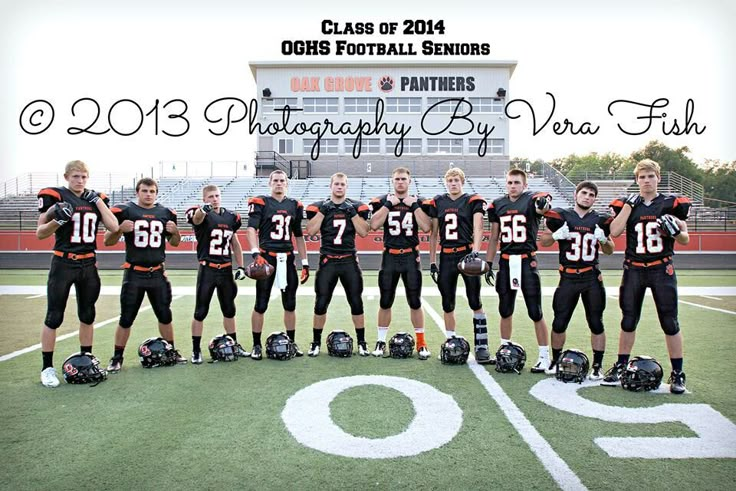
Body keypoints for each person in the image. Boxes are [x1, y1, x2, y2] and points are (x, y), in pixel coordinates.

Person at [602, 159, 691, 394]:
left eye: (650, 176)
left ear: (658, 178)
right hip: (634, 268)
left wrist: (676, 231)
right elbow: (614, 231)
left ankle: (678, 373)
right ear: (637, 180)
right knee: (628, 319)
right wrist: (629, 207)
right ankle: (621, 365)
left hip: (662, 268)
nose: (646, 181)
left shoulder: (671, 203)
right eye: (642, 177)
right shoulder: (628, 203)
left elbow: (684, 238)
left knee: (669, 321)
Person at [36, 160, 119, 387]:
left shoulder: (96, 198)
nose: (80, 181)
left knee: (88, 314)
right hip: (64, 262)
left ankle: (86, 360)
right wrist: (57, 220)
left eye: (83, 177)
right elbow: (40, 232)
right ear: (66, 177)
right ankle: (47, 368)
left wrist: (98, 202)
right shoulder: (55, 196)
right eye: (75, 177)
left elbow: (114, 227)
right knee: (54, 316)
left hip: (88, 264)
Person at [104, 178, 186, 372]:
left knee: (165, 315)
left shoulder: (166, 213)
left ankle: (171, 351)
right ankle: (117, 357)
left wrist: (175, 233)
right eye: (145, 191)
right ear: (137, 192)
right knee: (126, 318)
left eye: (152, 191)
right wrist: (119, 230)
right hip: (134, 274)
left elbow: (175, 242)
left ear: (156, 193)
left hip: (157, 273)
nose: (148, 194)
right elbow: (108, 240)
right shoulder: (126, 211)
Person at [539, 181, 615, 380]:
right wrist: (556, 235)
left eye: (591, 194)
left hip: (591, 277)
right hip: (568, 277)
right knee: (559, 322)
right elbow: (544, 242)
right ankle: (556, 361)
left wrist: (604, 240)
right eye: (584, 193)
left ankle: (597, 365)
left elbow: (610, 250)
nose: (587, 196)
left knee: (596, 322)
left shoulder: (600, 220)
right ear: (576, 194)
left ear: (594, 199)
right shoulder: (561, 216)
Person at [485, 168, 552, 372]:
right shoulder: (497, 204)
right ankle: (505, 349)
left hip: (526, 260)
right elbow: (494, 237)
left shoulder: (532, 200)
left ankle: (544, 355)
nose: (513, 186)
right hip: (505, 261)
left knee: (535, 311)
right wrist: (488, 263)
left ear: (525, 185)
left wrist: (544, 203)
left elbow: (543, 206)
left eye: (516, 182)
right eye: (510, 182)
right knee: (505, 309)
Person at [424, 167, 491, 363]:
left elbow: (479, 227)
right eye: (450, 180)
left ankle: (482, 345)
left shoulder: (472, 200)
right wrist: (433, 261)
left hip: (466, 253)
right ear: (446, 182)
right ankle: (451, 342)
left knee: (474, 300)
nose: (453, 183)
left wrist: (476, 251)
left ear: (462, 181)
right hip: (446, 256)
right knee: (447, 302)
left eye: (456, 180)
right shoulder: (439, 201)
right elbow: (434, 234)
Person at [368, 167, 431, 360]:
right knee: (385, 301)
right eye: (397, 179)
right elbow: (374, 225)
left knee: (415, 301)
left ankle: (421, 342)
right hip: (390, 257)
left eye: (404, 179)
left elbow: (427, 227)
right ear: (392, 181)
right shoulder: (382, 201)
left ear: (409, 181)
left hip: (411, 257)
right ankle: (380, 341)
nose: (400, 182)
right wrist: (388, 204)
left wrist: (414, 206)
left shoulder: (418, 202)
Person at [245, 170, 309, 360]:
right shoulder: (261, 202)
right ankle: (256, 345)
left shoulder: (294, 205)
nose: (279, 184)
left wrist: (305, 263)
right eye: (276, 181)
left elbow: (298, 236)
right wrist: (255, 253)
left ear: (286, 184)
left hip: (287, 258)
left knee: (290, 304)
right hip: (266, 257)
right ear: (269, 183)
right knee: (261, 303)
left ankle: (291, 342)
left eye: (282, 181)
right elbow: (251, 229)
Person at [305, 172, 370, 356]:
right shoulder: (320, 207)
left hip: (349, 260)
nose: (339, 187)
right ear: (331, 186)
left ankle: (362, 342)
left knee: (356, 303)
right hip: (328, 261)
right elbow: (310, 231)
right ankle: (316, 342)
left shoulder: (355, 207)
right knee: (321, 303)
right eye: (336, 184)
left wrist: (352, 213)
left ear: (346, 186)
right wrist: (323, 211)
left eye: (342, 184)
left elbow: (364, 232)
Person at [186, 184, 248, 364]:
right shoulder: (201, 213)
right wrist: (202, 209)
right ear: (204, 199)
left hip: (226, 269)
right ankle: (196, 350)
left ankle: (234, 344)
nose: (214, 199)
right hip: (208, 269)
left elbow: (235, 243)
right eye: (211, 196)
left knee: (229, 310)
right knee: (200, 311)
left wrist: (241, 266)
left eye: (217, 196)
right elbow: (197, 219)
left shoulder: (231, 217)